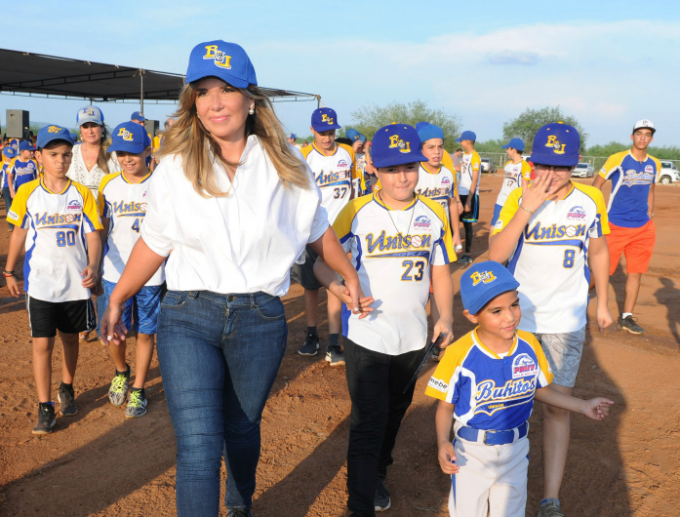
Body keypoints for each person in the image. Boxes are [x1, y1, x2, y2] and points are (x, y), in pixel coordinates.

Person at [99, 40, 364, 517]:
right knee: (199, 446)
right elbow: (155, 241)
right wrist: (119, 297)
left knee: (242, 430)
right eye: (202, 92)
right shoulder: (175, 167)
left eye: (226, 89)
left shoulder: (287, 165)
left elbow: (317, 233)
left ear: (251, 99)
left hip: (259, 319)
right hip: (188, 314)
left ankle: (240, 503)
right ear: (192, 102)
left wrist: (346, 276)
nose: (214, 102)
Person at [315, 123, 455, 517]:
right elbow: (321, 263)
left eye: (409, 167)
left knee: (394, 413)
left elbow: (441, 272)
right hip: (367, 334)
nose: (402, 177)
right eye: (392, 169)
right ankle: (359, 504)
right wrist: (339, 288)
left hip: (413, 339)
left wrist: (445, 316)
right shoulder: (356, 211)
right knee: (368, 421)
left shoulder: (433, 213)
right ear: (374, 168)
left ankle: (377, 473)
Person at [489, 122, 613, 517]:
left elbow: (598, 251)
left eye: (561, 166)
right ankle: (498, 487)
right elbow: (495, 255)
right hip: (517, 320)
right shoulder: (519, 196)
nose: (551, 174)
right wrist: (527, 207)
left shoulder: (591, 199)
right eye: (543, 164)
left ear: (576, 163)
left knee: (557, 407)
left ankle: (550, 499)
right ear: (532, 163)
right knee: (507, 402)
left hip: (566, 319)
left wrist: (603, 302)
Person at [427, 261, 613, 517]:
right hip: (471, 453)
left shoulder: (528, 344)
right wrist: (442, 441)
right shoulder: (459, 353)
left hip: (516, 450)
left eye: (514, 304)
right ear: (472, 316)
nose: (510, 316)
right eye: (496, 311)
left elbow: (539, 390)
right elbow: (445, 405)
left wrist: (582, 406)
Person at [4, 125, 102, 434]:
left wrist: (94, 265)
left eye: (66, 155)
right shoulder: (27, 192)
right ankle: (45, 406)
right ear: (39, 156)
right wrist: (9, 271)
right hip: (41, 284)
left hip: (75, 283)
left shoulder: (81, 193)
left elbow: (93, 234)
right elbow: (18, 233)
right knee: (42, 344)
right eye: (53, 154)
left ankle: (67, 387)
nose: (60, 160)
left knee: (70, 339)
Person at [98, 122, 165, 418]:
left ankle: (138, 387)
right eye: (121, 153)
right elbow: (103, 229)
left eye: (134, 152)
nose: (126, 158)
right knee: (117, 331)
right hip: (116, 271)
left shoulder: (161, 184)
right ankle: (121, 371)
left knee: (146, 332)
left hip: (152, 274)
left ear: (148, 151)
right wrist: (96, 265)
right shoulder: (109, 185)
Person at [293, 107, 356, 365]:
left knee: (335, 283)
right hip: (312, 230)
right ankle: (311, 334)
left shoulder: (347, 153)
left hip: (339, 231)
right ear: (312, 131)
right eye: (322, 133)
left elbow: (354, 188)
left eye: (331, 132)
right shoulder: (304, 156)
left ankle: (333, 342)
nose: (327, 137)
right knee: (310, 286)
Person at [591, 119, 661, 335]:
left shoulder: (655, 164)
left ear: (651, 139)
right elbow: (597, 185)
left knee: (635, 273)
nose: (642, 137)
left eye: (647, 134)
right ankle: (572, 305)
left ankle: (626, 318)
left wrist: (649, 214)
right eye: (639, 133)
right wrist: (597, 214)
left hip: (643, 228)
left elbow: (651, 190)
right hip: (615, 226)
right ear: (632, 137)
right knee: (600, 272)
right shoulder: (618, 159)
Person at [67, 105, 121, 199]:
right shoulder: (70, 153)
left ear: (102, 127)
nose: (90, 131)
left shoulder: (114, 155)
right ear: (80, 129)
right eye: (85, 127)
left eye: (94, 125)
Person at [491, 138, 532, 235]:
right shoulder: (507, 164)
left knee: (512, 230)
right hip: (501, 201)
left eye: (508, 149)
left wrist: (523, 203)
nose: (506, 151)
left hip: (514, 203)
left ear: (513, 150)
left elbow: (525, 186)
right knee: (493, 228)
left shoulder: (525, 166)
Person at [456, 130, 481, 264]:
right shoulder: (465, 154)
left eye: (461, 140)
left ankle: (467, 254)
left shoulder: (475, 157)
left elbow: (475, 180)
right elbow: (461, 169)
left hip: (470, 195)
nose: (460, 143)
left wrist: (469, 201)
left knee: (467, 224)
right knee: (453, 220)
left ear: (467, 141)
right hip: (460, 193)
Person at [1, 146, 18, 231]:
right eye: (9, 157)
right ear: (4, 155)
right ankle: (11, 225)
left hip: (16, 187)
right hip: (6, 187)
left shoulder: (16, 164)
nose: (10, 159)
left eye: (12, 157)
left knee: (17, 205)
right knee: (8, 205)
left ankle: (18, 223)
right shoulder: (2, 165)